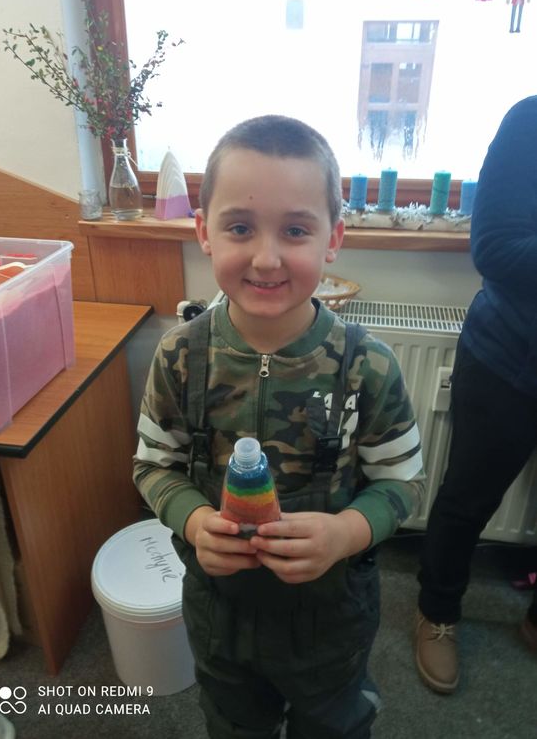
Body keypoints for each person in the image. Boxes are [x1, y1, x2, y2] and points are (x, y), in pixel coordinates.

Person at [134, 114, 424, 739]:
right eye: (240, 227)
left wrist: (346, 532)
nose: (266, 259)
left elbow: (403, 483)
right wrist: (192, 520)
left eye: (295, 230)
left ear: (333, 238)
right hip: (220, 617)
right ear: (204, 232)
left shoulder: (368, 365)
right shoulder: (180, 356)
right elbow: (154, 466)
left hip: (331, 622)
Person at [415, 96, 537, 695]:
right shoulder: (530, 122)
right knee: (466, 500)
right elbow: (494, 247)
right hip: (508, 357)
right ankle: (436, 613)